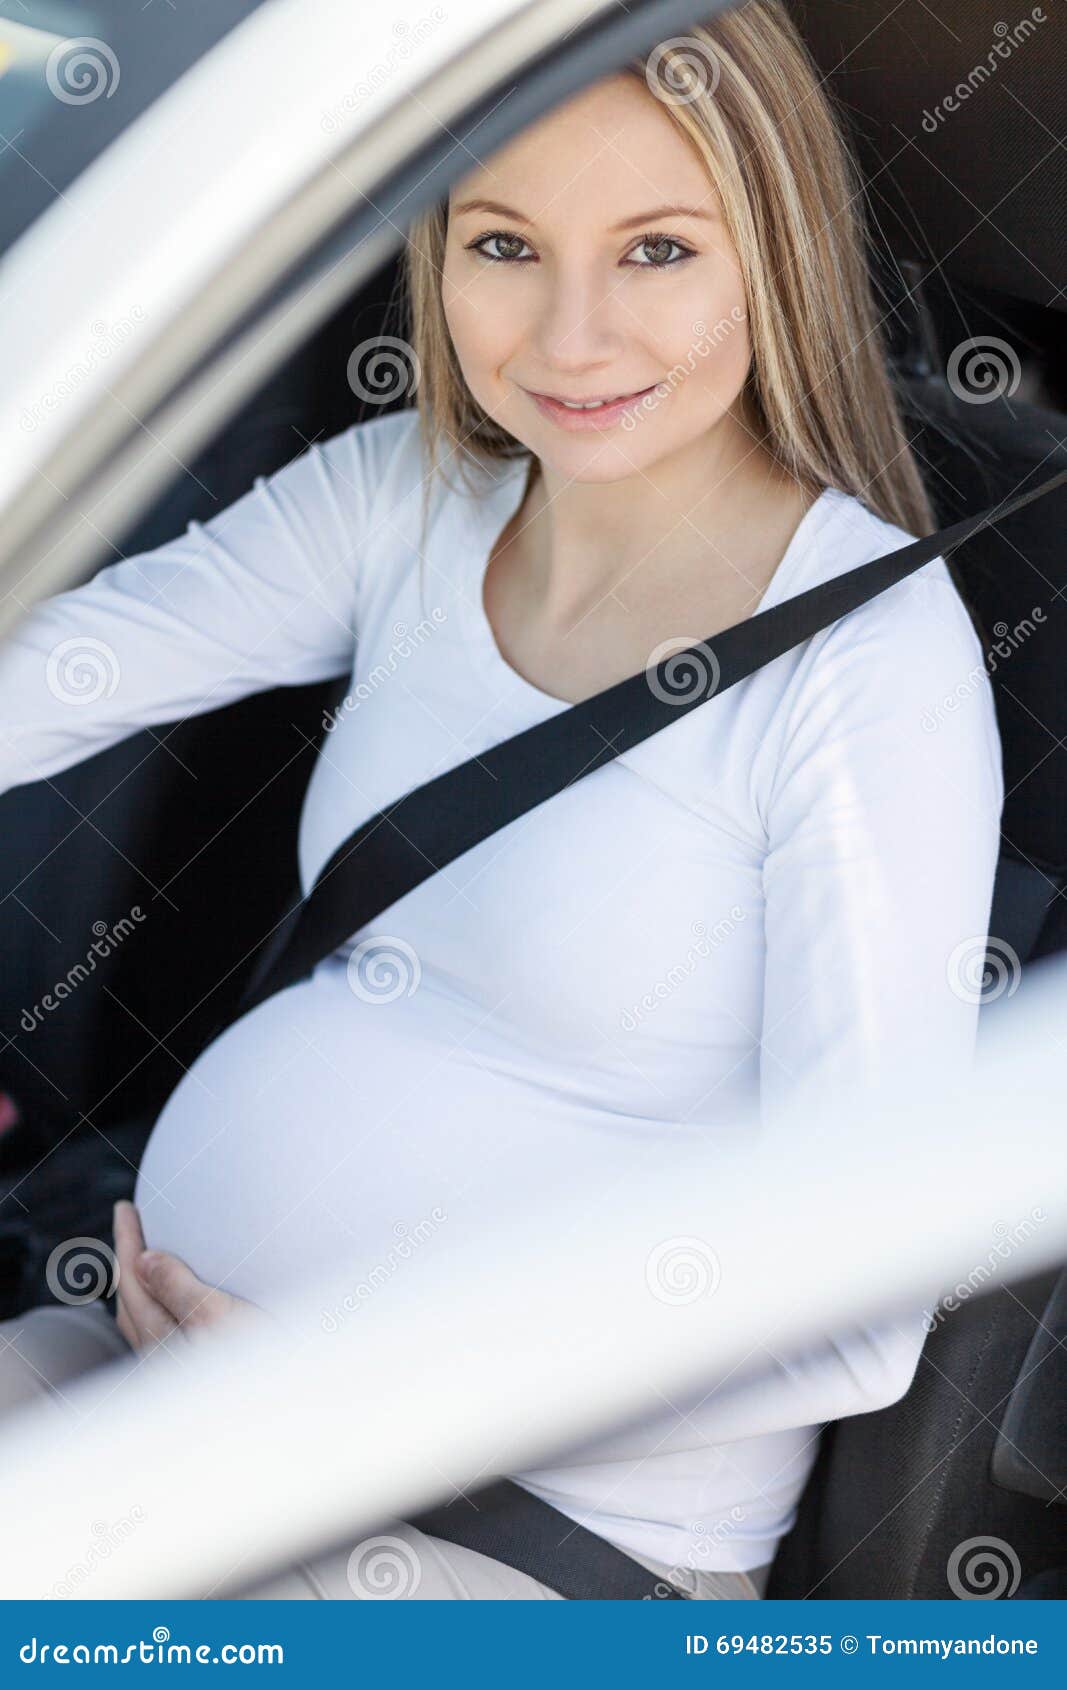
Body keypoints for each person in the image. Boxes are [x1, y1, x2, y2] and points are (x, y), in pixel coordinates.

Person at [0, 3, 1001, 1600]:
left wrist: (360, 1393)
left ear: (775, 252)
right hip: (166, 1373)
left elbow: (851, 1304)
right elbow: (49, 675)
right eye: (506, 246)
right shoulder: (413, 492)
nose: (570, 338)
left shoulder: (867, 664)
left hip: (522, 1528)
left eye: (660, 251)